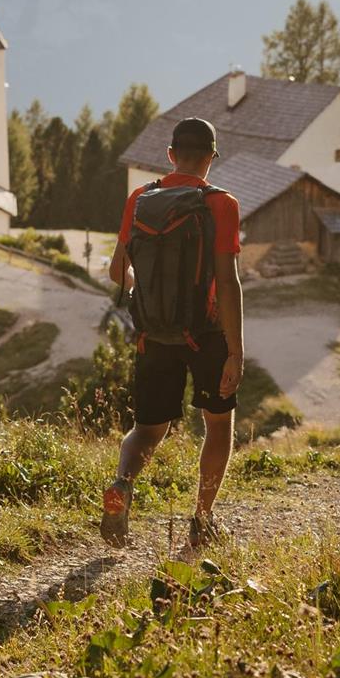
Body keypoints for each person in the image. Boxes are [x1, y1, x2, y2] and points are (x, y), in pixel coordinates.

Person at [100, 116, 244, 551]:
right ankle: (202, 519)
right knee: (218, 426)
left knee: (146, 430)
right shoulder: (221, 204)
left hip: (154, 334)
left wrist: (148, 295)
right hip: (208, 333)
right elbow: (229, 279)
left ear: (169, 155)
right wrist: (236, 352)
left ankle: (122, 485)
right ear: (210, 159)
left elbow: (115, 271)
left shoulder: (141, 198)